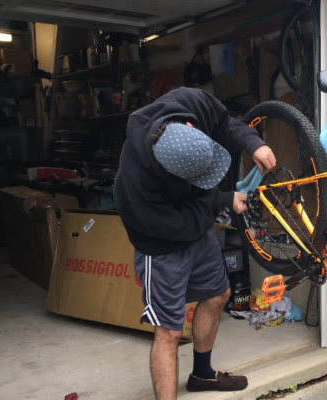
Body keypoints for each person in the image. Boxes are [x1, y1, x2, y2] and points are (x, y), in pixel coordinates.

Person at [113, 87, 276, 399]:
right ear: (169, 171)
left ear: (191, 127)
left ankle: (202, 375)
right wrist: (221, 200)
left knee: (218, 294)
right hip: (161, 243)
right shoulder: (137, 185)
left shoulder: (190, 103)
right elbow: (180, 224)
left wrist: (251, 142)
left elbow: (225, 123)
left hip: (196, 227)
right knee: (170, 330)